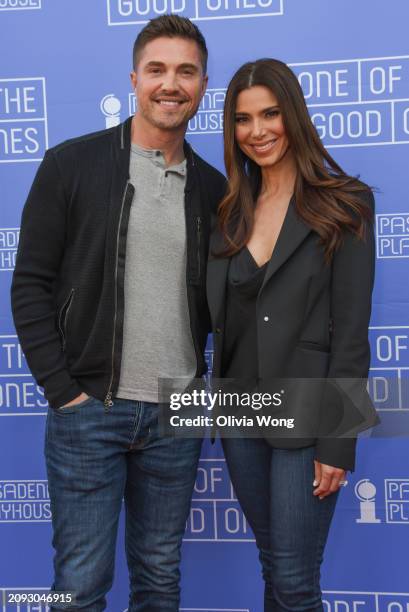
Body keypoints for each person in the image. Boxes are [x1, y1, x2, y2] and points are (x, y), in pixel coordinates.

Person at [11, 15, 225, 612]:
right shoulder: (70, 165)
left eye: (186, 71)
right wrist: (64, 392)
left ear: (204, 86)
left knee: (160, 582)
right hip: (89, 410)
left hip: (176, 416)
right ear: (134, 78)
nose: (170, 84)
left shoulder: (213, 188)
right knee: (79, 589)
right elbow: (29, 286)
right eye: (157, 69)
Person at [207, 58, 379, 610]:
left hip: (308, 414)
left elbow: (352, 333)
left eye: (270, 114)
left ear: (294, 116)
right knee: (272, 563)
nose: (257, 131)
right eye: (242, 119)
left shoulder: (345, 202)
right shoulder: (229, 210)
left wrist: (338, 441)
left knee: (295, 578)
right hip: (239, 411)